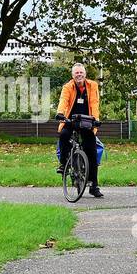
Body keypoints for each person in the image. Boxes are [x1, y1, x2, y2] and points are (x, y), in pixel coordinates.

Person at [55, 63, 103, 198]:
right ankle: (64, 163)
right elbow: (63, 101)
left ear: (85, 74)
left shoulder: (92, 86)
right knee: (64, 136)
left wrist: (96, 119)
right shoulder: (68, 87)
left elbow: (94, 103)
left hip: (87, 121)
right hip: (70, 121)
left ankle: (94, 185)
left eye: (81, 72)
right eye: (76, 73)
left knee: (92, 151)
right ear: (73, 75)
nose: (79, 75)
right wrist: (60, 113)